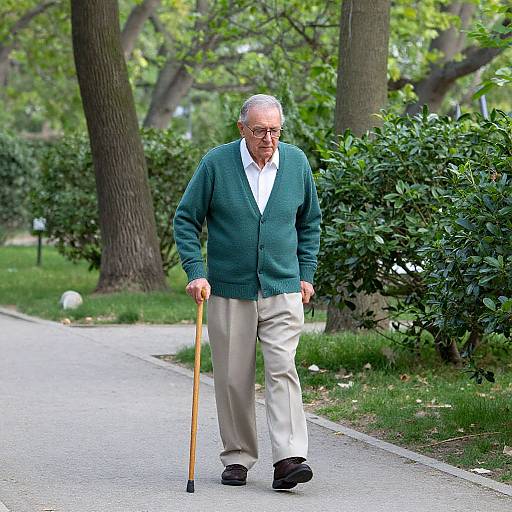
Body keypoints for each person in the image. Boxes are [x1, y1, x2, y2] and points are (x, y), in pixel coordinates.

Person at [173, 94, 321, 490]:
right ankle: (238, 456)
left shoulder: (296, 163)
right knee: (233, 376)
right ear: (242, 129)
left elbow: (310, 223)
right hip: (228, 290)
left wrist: (305, 273)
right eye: (260, 131)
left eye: (275, 130)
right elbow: (186, 219)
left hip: (282, 287)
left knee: (282, 369)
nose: (268, 139)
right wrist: (196, 271)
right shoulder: (217, 163)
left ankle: (289, 458)